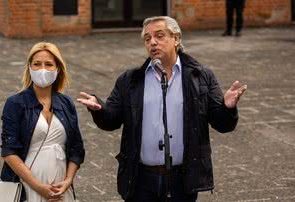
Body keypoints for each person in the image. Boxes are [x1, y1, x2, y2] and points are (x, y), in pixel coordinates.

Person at [77, 16, 247, 202]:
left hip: (182, 179)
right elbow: (111, 120)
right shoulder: (131, 80)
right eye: (147, 39)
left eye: (159, 36)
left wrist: (228, 107)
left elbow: (222, 124)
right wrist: (99, 109)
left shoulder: (200, 76)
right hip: (140, 178)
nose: (153, 42)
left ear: (176, 39)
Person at [0, 42, 85, 202]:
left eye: (49, 64)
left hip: (61, 188)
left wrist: (68, 181)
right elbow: (9, 152)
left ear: (58, 69)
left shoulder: (66, 103)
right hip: (28, 186)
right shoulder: (15, 103)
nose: (42, 69)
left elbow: (77, 148)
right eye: (37, 64)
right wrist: (38, 186)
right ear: (29, 68)